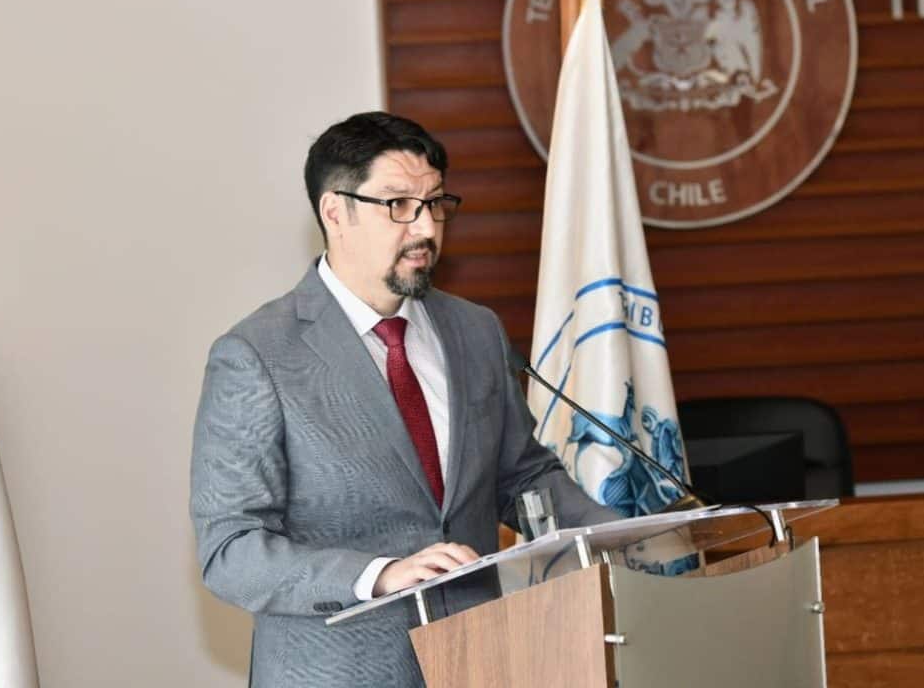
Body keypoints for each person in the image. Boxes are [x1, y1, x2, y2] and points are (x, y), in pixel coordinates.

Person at [190, 111, 617, 687]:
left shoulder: (475, 330)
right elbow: (231, 551)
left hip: (481, 662)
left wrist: (625, 536)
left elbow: (521, 477)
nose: (426, 228)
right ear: (334, 211)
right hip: (339, 674)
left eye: (435, 203)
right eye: (398, 205)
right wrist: (379, 574)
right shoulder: (256, 355)